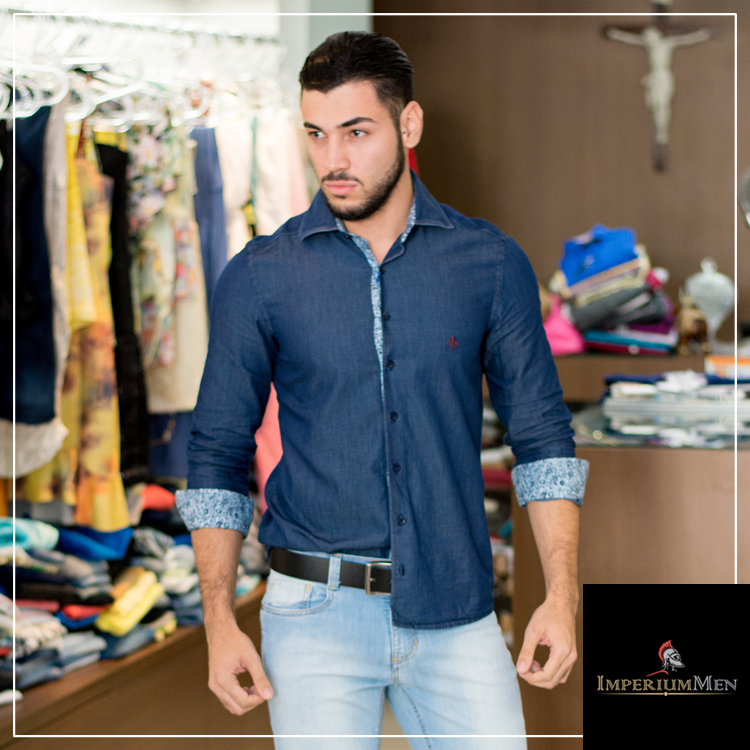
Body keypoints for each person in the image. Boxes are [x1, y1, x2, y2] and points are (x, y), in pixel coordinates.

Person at [175, 31, 588, 749]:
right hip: (312, 615)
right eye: (316, 134)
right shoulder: (260, 275)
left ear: (409, 124)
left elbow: (543, 440)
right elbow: (216, 454)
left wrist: (561, 596)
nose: (333, 159)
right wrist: (218, 621)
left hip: (456, 606)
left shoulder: (490, 263)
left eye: (356, 132)